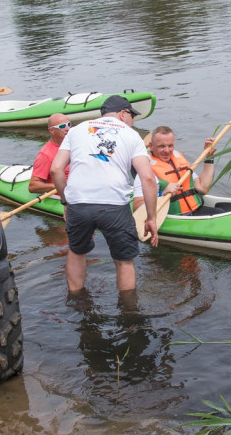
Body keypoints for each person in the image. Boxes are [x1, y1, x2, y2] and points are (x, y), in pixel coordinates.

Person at [50, 96, 159, 294]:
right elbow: (148, 179)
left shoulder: (75, 131)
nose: (132, 120)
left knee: (76, 253)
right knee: (124, 262)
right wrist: (151, 217)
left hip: (78, 204)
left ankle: (78, 305)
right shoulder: (131, 135)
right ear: (122, 113)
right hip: (114, 206)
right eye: (132, 115)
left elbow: (56, 169)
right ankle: (128, 315)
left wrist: (66, 202)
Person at [132, 126, 219, 216]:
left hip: (197, 210)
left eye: (170, 146)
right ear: (151, 146)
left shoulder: (178, 159)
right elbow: (137, 207)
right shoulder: (146, 169)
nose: (167, 150)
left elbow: (203, 188)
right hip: (174, 218)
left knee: (220, 211)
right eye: (161, 146)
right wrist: (163, 194)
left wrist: (209, 157)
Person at [28, 113, 71, 194]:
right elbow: (33, 186)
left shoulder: (74, 144)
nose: (68, 128)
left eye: (69, 124)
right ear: (52, 131)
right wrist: (58, 186)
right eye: (62, 126)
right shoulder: (45, 155)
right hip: (64, 194)